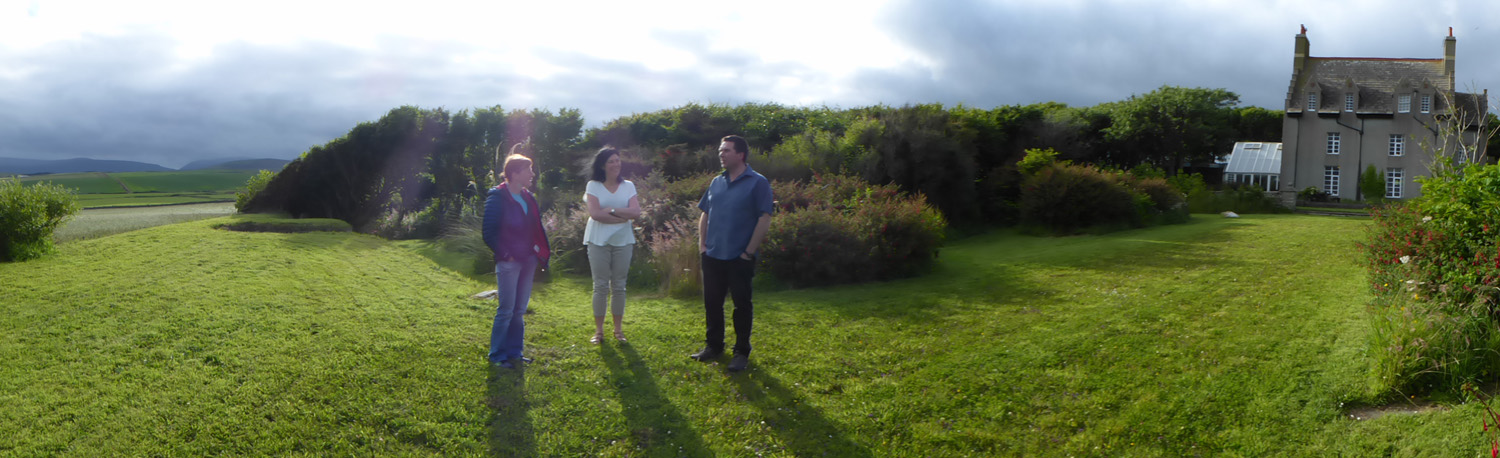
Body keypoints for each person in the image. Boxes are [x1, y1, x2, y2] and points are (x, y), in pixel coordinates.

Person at [690, 135, 773, 372]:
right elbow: (705, 213)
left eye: (726, 150)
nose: (721, 154)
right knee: (712, 303)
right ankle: (714, 346)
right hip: (713, 255)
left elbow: (765, 218)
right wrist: (703, 245)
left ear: (741, 154)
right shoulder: (717, 182)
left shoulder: (758, 182)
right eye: (720, 150)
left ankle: (741, 352)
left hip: (739, 257)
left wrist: (748, 252)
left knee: (741, 305)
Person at [482, 146, 551, 369]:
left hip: (528, 260)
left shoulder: (528, 197)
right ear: (514, 173)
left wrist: (538, 253)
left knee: (519, 310)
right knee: (506, 310)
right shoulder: (497, 196)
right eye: (528, 170)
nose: (532, 174)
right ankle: (497, 355)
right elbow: (489, 232)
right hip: (509, 261)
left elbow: (535, 228)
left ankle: (515, 353)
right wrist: (506, 254)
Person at [582, 146, 641, 344]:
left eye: (617, 160)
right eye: (611, 161)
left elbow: (636, 212)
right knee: (600, 285)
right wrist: (622, 217)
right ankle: (599, 332)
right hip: (598, 240)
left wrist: (613, 210)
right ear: (602, 165)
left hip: (623, 241)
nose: (616, 164)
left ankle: (618, 330)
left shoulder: (628, 186)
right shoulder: (593, 185)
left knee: (619, 286)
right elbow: (595, 214)